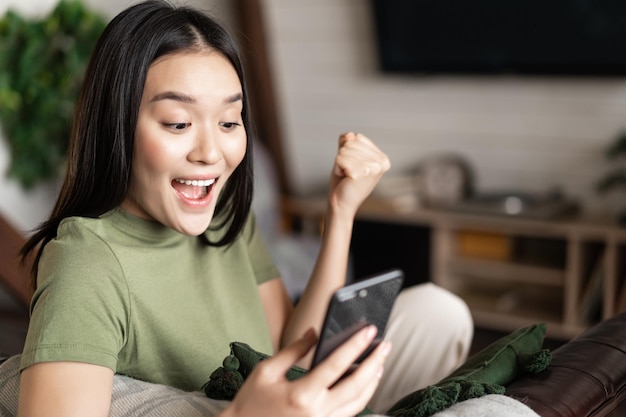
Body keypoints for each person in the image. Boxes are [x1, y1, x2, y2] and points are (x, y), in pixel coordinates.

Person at [16, 1, 473, 416]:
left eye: (229, 121)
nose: (211, 152)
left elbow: (293, 351)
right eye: (178, 122)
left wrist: (341, 210)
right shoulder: (85, 260)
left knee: (439, 310)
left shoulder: (227, 218)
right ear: (115, 127)